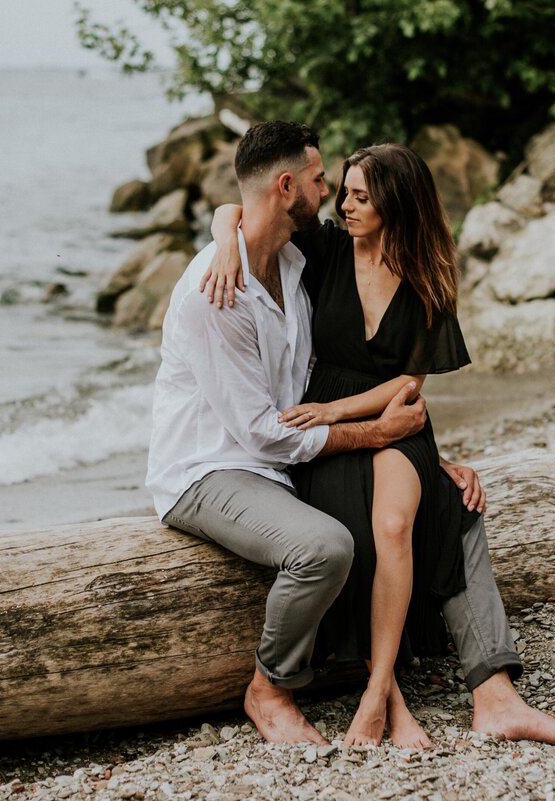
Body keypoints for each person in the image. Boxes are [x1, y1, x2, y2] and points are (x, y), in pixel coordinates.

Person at [149, 120, 555, 748]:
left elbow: (243, 208)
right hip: (221, 465)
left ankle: (496, 695)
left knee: (453, 506)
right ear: (288, 187)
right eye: (320, 180)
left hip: (301, 445)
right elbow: (263, 435)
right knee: (341, 536)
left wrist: (417, 451)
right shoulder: (221, 289)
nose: (332, 193)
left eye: (354, 190)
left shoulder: (295, 256)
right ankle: (309, 690)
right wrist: (372, 431)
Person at [204, 143, 476, 747]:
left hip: (390, 415)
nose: (343, 203)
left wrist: (338, 410)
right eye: (342, 189)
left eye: (359, 195)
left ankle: (377, 687)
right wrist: (225, 241)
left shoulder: (430, 274)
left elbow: (410, 381)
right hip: (324, 424)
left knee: (396, 522)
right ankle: (394, 704)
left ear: (395, 204)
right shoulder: (325, 248)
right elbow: (239, 208)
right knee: (350, 528)